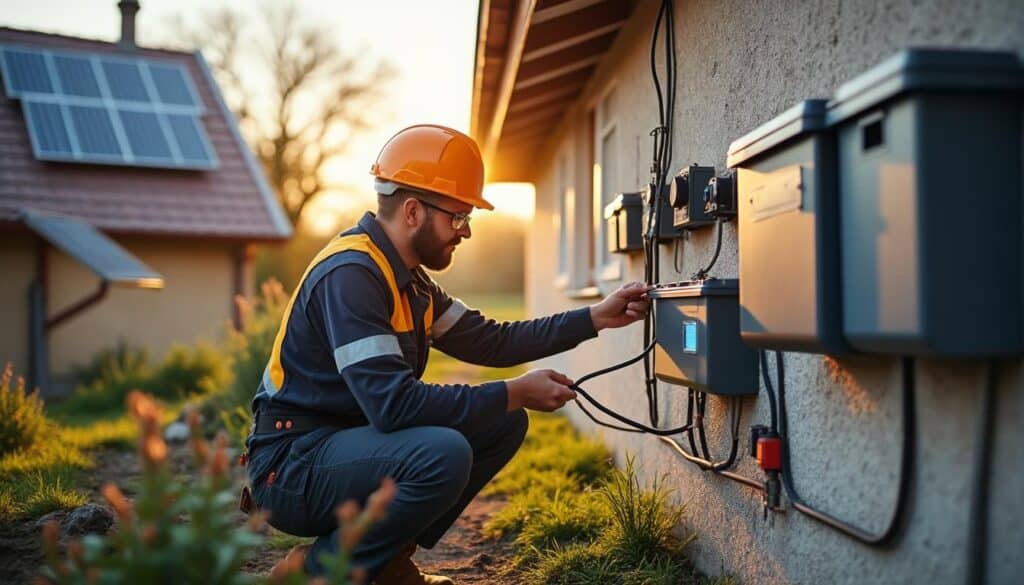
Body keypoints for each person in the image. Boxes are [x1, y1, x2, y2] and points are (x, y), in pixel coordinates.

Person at [244, 124, 651, 584]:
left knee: (501, 422)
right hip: (293, 467)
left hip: (343, 449)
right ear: (413, 211)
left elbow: (493, 341)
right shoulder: (353, 276)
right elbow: (394, 406)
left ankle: (386, 560)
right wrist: (513, 390)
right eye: (458, 217)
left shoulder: (411, 283)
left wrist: (595, 317)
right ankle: (318, 573)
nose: (466, 231)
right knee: (443, 453)